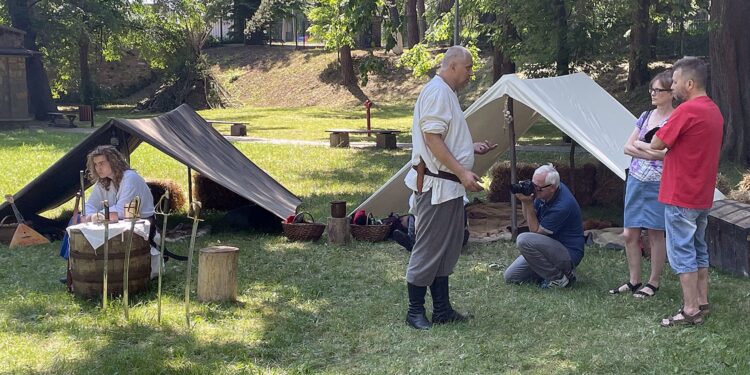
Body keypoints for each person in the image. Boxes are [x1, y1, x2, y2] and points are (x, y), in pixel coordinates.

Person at [402, 45, 497, 330]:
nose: (471, 74)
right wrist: (462, 171)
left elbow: (445, 137)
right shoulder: (438, 92)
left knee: (446, 249)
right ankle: (414, 311)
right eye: (468, 68)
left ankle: (442, 309)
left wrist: (470, 148)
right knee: (429, 248)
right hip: (437, 187)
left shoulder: (447, 93)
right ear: (453, 65)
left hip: (450, 188)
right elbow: (432, 139)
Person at [651, 57, 723, 327]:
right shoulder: (714, 110)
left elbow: (658, 142)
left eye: (677, 82)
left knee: (682, 251)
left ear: (690, 84)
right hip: (702, 194)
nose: (674, 87)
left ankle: (690, 309)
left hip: (681, 193)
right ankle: (702, 301)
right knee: (698, 247)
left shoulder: (687, 110)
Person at [608, 71, 674, 298]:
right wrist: (651, 151)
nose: (653, 94)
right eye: (652, 90)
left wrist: (643, 148)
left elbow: (668, 154)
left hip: (659, 182)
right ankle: (634, 280)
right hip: (636, 179)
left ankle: (653, 282)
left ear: (671, 92)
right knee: (629, 233)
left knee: (656, 234)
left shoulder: (675, 119)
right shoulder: (646, 116)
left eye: (658, 90)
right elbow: (627, 147)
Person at [60, 145, 157, 285]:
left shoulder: (130, 178)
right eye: (95, 164)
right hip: (118, 219)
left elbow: (121, 210)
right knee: (76, 219)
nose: (98, 168)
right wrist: (89, 215)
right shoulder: (103, 182)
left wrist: (94, 217)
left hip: (141, 223)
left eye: (102, 163)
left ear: (113, 161)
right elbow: (90, 205)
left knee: (88, 220)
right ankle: (73, 267)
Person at [503, 164, 584, 288]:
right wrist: (525, 202)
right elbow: (530, 218)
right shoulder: (545, 192)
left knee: (523, 240)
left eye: (537, 188)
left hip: (567, 253)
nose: (533, 190)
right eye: (532, 184)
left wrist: (527, 203)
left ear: (552, 188)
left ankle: (559, 278)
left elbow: (535, 231)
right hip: (548, 246)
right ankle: (557, 272)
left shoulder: (562, 206)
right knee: (511, 276)